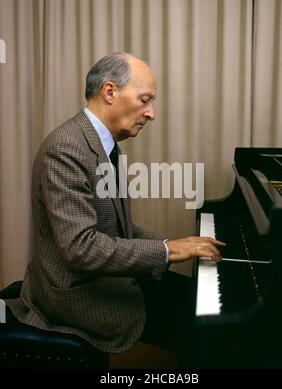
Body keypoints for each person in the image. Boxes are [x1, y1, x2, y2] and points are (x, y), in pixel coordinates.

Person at [6, 52, 224, 358]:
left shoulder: (103, 144)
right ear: (110, 92)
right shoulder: (67, 149)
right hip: (74, 294)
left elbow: (120, 228)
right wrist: (169, 251)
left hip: (99, 277)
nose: (151, 113)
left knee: (203, 305)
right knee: (206, 326)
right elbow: (81, 248)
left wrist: (171, 244)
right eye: (145, 100)